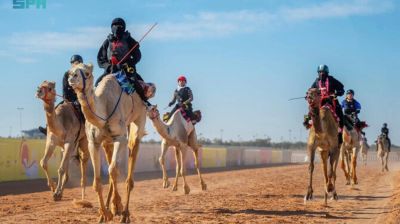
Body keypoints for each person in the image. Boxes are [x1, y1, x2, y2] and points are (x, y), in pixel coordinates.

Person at [96, 17, 149, 105]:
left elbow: (137, 55)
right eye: (115, 25)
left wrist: (128, 63)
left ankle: (145, 103)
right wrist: (109, 66)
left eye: (120, 25)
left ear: (124, 27)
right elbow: (100, 59)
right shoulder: (107, 42)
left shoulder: (128, 40)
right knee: (98, 83)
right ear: (111, 27)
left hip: (126, 71)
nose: (117, 27)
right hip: (111, 71)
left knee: (134, 82)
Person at [38, 55, 84, 135]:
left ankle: (87, 127)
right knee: (55, 109)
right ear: (72, 64)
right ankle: (47, 127)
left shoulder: (83, 75)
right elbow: (65, 87)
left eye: (78, 63)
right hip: (69, 98)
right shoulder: (67, 74)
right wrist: (66, 98)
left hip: (80, 98)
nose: (75, 64)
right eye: (74, 63)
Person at [309, 64, 346, 144]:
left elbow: (341, 88)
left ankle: (340, 134)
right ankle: (310, 127)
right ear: (318, 73)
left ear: (327, 72)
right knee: (310, 110)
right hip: (320, 101)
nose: (322, 73)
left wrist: (337, 93)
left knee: (340, 112)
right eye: (320, 72)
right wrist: (309, 94)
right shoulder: (316, 81)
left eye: (323, 72)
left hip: (331, 100)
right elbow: (311, 90)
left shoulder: (331, 79)